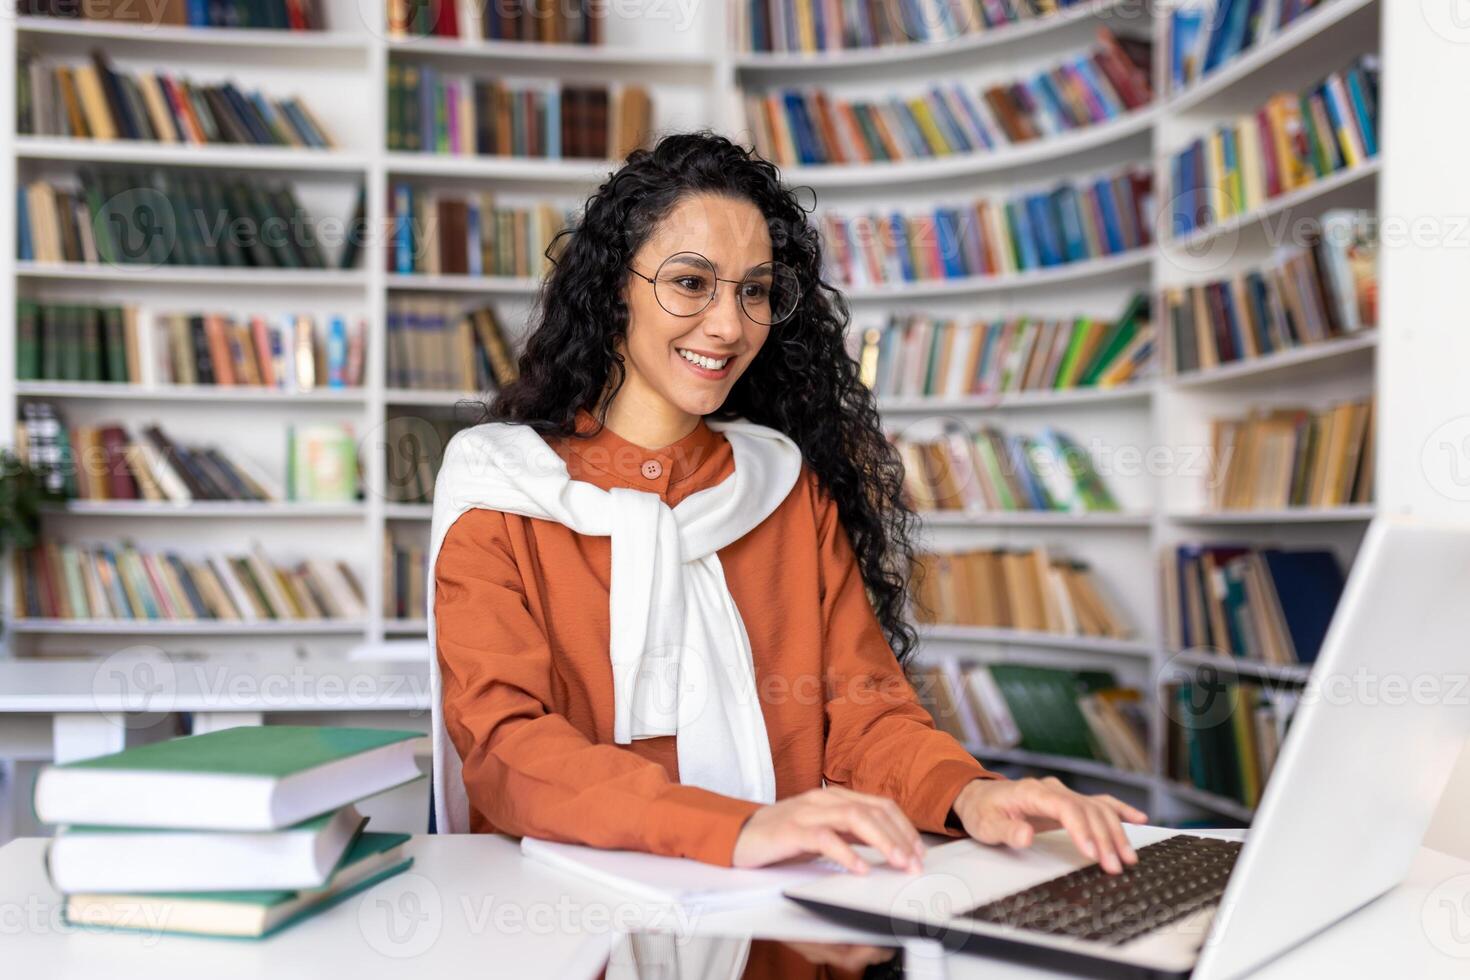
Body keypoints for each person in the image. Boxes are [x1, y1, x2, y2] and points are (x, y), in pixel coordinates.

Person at [428, 131, 1146, 878]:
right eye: (690, 282)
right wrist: (735, 829)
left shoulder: (781, 488)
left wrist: (967, 794)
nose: (729, 325)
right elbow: (506, 749)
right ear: (615, 287)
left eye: (755, 290)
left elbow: (865, 716)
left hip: (786, 912)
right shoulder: (501, 488)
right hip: (574, 918)